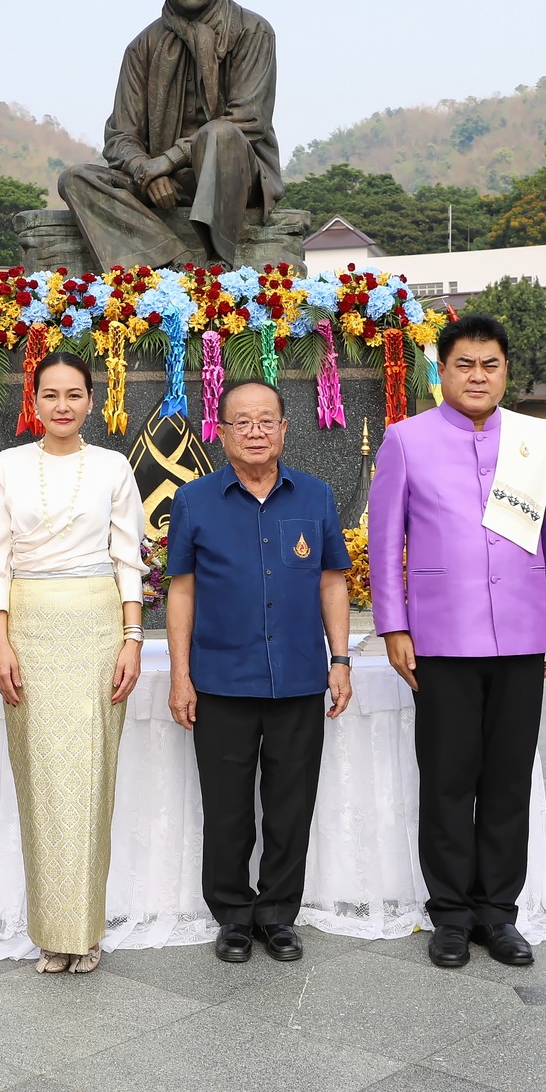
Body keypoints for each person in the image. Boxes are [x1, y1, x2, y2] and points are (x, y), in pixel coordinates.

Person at [370, 313, 546, 970]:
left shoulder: (532, 441)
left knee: (507, 781)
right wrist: (394, 624)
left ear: (506, 370)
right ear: (443, 370)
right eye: (465, 364)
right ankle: (452, 915)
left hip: (521, 636)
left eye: (491, 364)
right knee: (447, 781)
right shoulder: (406, 440)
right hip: (441, 638)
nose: (478, 375)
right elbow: (383, 543)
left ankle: (500, 914)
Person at [167, 380, 353, 964]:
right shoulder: (195, 500)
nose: (254, 431)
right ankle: (232, 915)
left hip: (298, 676)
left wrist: (340, 659)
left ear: (283, 429)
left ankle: (277, 914)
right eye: (241, 422)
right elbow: (181, 589)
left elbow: (331, 580)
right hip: (221, 678)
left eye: (265, 421)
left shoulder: (316, 497)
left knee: (290, 803)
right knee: (226, 807)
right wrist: (180, 674)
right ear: (220, 432)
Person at [0, 351, 148, 974]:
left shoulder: (112, 465)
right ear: (35, 400)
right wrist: (0, 641)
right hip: (28, 623)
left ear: (90, 400)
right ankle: (52, 930)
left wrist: (133, 638)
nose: (61, 406)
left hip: (97, 623)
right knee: (43, 778)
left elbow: (128, 556)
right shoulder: (6, 465)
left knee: (91, 775)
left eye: (73, 394)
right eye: (49, 394)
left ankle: (87, 930)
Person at [56, 0, 282, 271]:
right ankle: (171, 260)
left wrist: (169, 159)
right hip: (161, 183)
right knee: (76, 178)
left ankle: (217, 260)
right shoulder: (141, 47)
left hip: (234, 176)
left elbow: (249, 120)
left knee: (221, 133)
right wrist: (147, 169)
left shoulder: (252, 31)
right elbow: (120, 137)